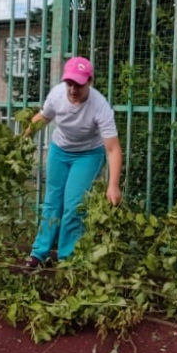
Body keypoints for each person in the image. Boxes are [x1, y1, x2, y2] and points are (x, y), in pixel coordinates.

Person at [23, 56, 123, 269]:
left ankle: (67, 258)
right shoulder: (57, 95)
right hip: (60, 151)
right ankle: (38, 253)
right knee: (52, 201)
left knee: (73, 206)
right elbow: (43, 118)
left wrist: (113, 185)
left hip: (88, 155)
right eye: (70, 83)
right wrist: (22, 139)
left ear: (90, 81)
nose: (73, 89)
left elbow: (113, 149)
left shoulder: (100, 106)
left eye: (78, 84)